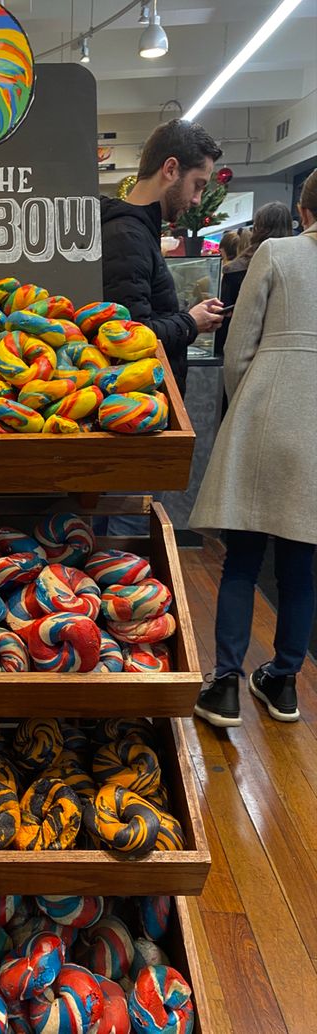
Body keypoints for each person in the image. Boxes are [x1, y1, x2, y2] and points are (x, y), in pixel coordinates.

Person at [190, 168, 317, 728]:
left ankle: (224, 686)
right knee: (301, 563)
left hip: (270, 404)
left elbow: (239, 347)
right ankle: (284, 680)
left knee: (242, 557)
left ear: (304, 211)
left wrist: (248, 406)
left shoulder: (278, 253)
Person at [101, 119, 225, 396]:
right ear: (170, 169)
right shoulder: (127, 236)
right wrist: (191, 322)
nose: (197, 199)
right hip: (139, 406)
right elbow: (130, 336)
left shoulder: (136, 232)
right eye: (198, 184)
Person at [214, 203, 293, 357]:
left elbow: (225, 320)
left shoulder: (236, 269)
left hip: (243, 347)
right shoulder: (298, 265)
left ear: (257, 228)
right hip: (282, 349)